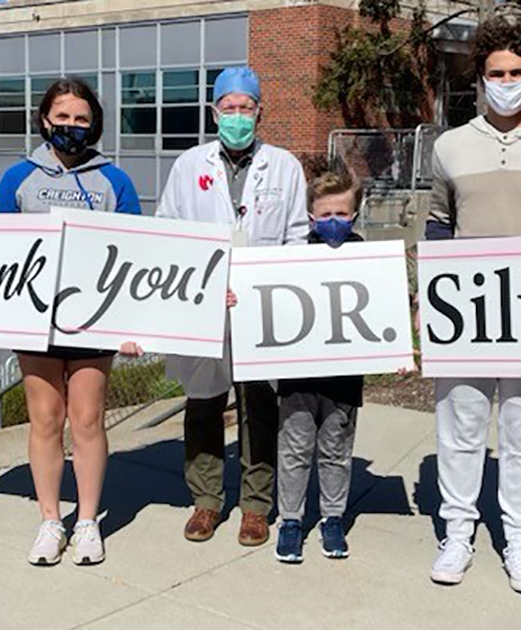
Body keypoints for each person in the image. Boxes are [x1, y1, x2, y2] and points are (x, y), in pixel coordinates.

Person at [0, 78, 141, 567]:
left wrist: (137, 326)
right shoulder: (19, 178)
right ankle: (50, 520)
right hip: (34, 321)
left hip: (93, 320)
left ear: (94, 124)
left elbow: (140, 254)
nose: (72, 127)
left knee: (88, 420)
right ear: (44, 120)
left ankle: (89, 521)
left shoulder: (114, 181)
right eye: (63, 117)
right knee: (45, 420)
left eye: (81, 119)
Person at [424, 16, 521, 595]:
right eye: (497, 73)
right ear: (481, 78)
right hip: (466, 312)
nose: (507, 81)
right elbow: (440, 226)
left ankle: (519, 538)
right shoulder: (450, 146)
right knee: (460, 429)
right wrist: (429, 306)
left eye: (517, 71)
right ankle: (458, 532)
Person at [156, 65, 309, 547]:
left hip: (260, 305)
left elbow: (297, 237)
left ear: (260, 111)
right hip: (203, 304)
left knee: (259, 406)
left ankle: (256, 506)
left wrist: (268, 285)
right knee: (203, 404)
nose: (237, 116)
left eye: (246, 108)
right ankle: (205, 501)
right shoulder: (189, 165)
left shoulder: (283, 166)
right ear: (214, 112)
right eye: (229, 108)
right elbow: (168, 232)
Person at [270, 169, 365, 564]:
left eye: (341, 214)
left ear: (355, 215)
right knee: (293, 450)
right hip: (298, 376)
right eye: (324, 214)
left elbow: (384, 311)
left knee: (335, 451)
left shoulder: (369, 257)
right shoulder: (290, 256)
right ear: (310, 216)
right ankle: (290, 521)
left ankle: (332, 519)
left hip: (343, 378)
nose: (332, 222)